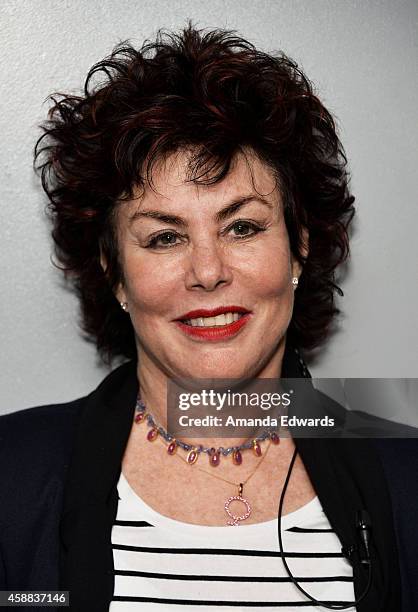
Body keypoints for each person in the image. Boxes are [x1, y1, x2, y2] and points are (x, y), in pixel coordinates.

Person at [0, 23, 417, 612]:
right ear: (115, 272)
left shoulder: (408, 475)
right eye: (165, 237)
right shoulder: (10, 474)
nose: (208, 271)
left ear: (299, 246)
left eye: (241, 226)